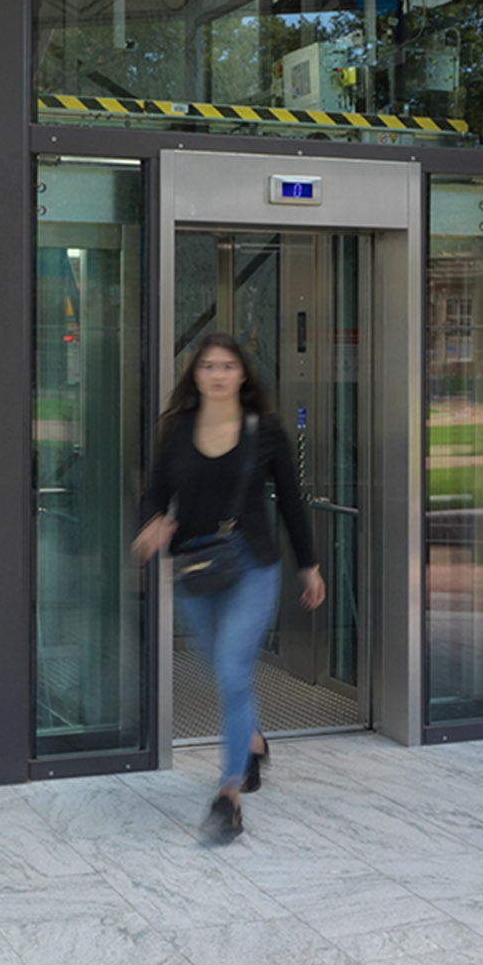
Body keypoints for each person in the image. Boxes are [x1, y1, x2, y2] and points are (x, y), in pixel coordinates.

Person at [131, 335, 326, 841]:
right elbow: (154, 494)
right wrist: (150, 525)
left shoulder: (266, 432)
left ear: (243, 375)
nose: (217, 374)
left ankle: (228, 798)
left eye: (228, 365)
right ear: (195, 375)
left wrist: (309, 565)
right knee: (223, 669)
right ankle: (253, 742)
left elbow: (291, 502)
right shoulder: (174, 432)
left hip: (251, 565)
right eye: (208, 366)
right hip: (196, 570)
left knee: (233, 672)